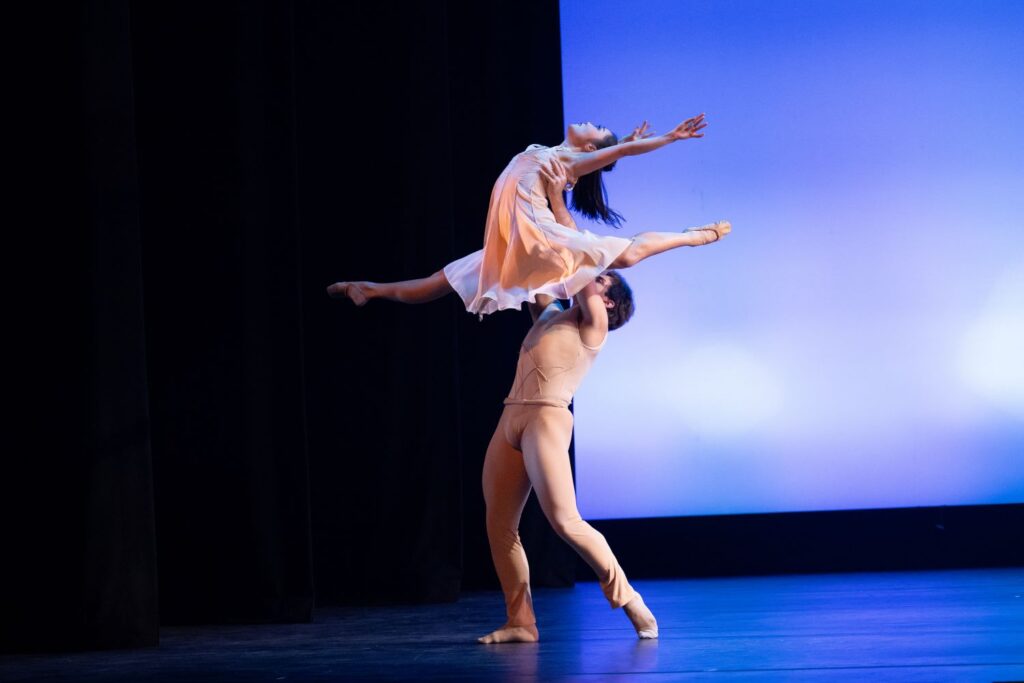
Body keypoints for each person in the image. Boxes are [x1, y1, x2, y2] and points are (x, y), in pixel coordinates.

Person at [327, 118, 729, 311]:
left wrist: (667, 139)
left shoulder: (568, 162)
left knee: (626, 254)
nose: (589, 121)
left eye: (598, 127)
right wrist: (621, 140)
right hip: (512, 242)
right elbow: (613, 150)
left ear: (590, 151)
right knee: (444, 279)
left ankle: (696, 235)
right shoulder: (548, 152)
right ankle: (369, 288)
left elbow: (615, 154)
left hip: (539, 233)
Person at [476, 272, 656, 643]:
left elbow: (579, 270)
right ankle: (521, 622)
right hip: (511, 417)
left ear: (608, 301)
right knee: (499, 525)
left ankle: (629, 599)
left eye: (602, 280)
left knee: (565, 521)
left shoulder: (595, 324)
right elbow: (539, 272)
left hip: (547, 417)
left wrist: (562, 221)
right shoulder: (551, 314)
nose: (593, 278)